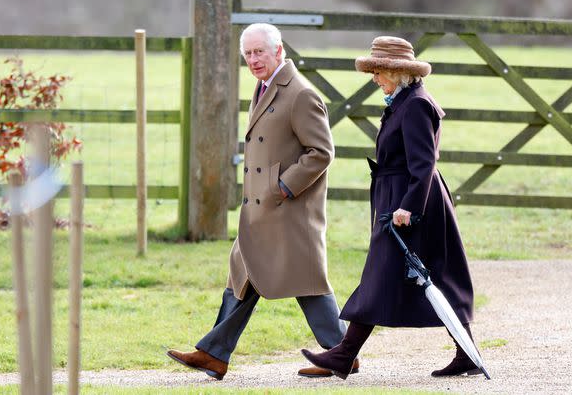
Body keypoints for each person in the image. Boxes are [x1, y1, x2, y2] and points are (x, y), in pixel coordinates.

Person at [167, 23, 355, 380]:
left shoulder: (299, 93)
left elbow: (321, 152)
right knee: (242, 274)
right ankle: (214, 354)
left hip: (288, 210)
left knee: (307, 282)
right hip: (261, 211)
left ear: (278, 51)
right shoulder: (265, 86)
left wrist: (283, 186)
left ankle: (340, 353)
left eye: (259, 52)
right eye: (248, 54)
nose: (253, 60)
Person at [301, 36, 481, 379]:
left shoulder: (415, 105)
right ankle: (346, 354)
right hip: (400, 197)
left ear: (398, 73)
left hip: (411, 203)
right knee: (395, 275)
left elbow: (424, 163)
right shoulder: (403, 101)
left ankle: (344, 354)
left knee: (405, 275)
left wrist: (408, 208)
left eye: (378, 71)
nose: (374, 78)